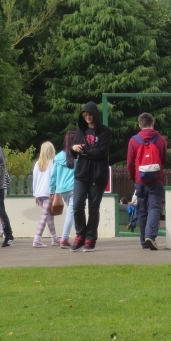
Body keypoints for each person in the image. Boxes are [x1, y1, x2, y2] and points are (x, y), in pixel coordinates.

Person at [70, 101, 111, 252]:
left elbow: (101, 152)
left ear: (95, 115)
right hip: (81, 173)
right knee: (77, 205)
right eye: (85, 115)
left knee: (93, 208)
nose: (87, 117)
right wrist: (74, 148)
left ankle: (90, 238)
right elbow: (75, 151)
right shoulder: (80, 131)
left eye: (90, 114)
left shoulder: (105, 131)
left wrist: (84, 151)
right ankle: (80, 234)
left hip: (98, 175)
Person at [126, 112, 168, 250]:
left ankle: (144, 240)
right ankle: (150, 236)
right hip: (156, 179)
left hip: (140, 180)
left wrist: (134, 177)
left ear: (140, 125)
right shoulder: (161, 140)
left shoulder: (133, 140)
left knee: (142, 210)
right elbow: (163, 160)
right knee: (154, 207)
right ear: (152, 123)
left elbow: (130, 162)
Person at [51, 132, 77, 248]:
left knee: (73, 212)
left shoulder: (58, 157)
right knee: (72, 212)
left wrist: (51, 190)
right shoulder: (77, 156)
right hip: (74, 188)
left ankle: (80, 235)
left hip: (62, 190)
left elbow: (53, 176)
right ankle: (64, 238)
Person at [31, 142, 59, 247]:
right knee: (45, 215)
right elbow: (54, 179)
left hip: (39, 193)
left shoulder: (38, 164)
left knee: (48, 216)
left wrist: (35, 194)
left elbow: (34, 180)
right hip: (48, 192)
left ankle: (54, 238)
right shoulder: (53, 163)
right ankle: (37, 239)